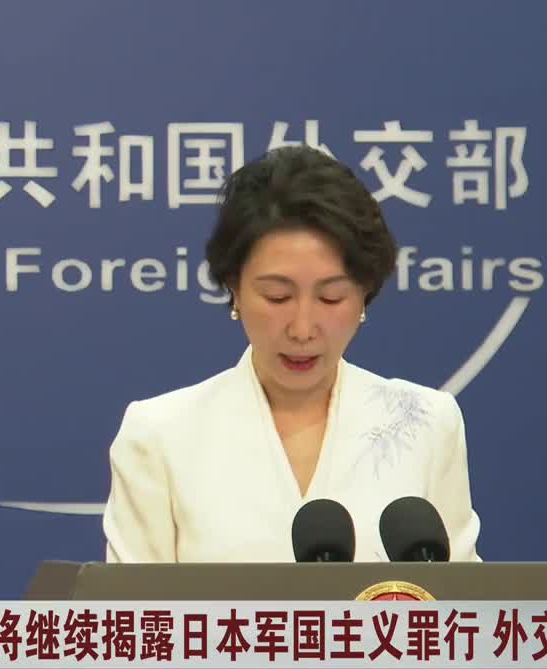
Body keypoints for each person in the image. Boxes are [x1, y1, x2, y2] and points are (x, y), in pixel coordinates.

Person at [102, 146, 482, 563]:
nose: (302, 329)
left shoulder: (427, 423)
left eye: (331, 297)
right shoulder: (160, 435)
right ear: (234, 288)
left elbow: (461, 596)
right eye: (277, 296)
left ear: (365, 295)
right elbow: (130, 603)